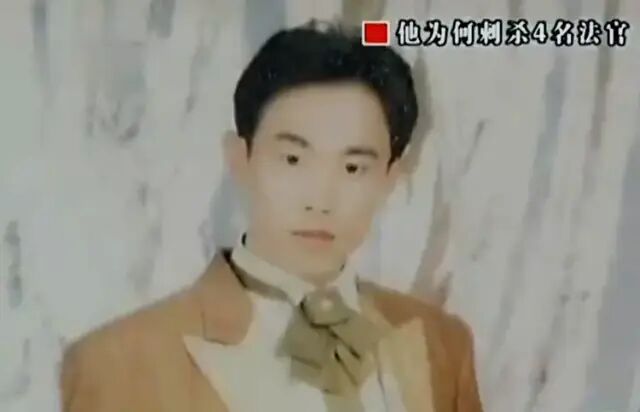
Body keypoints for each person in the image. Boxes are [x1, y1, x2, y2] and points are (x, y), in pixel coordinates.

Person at [59, 21, 483, 412]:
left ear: (391, 177)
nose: (320, 200)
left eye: (354, 167)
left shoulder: (442, 345)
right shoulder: (116, 363)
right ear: (240, 158)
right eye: (293, 159)